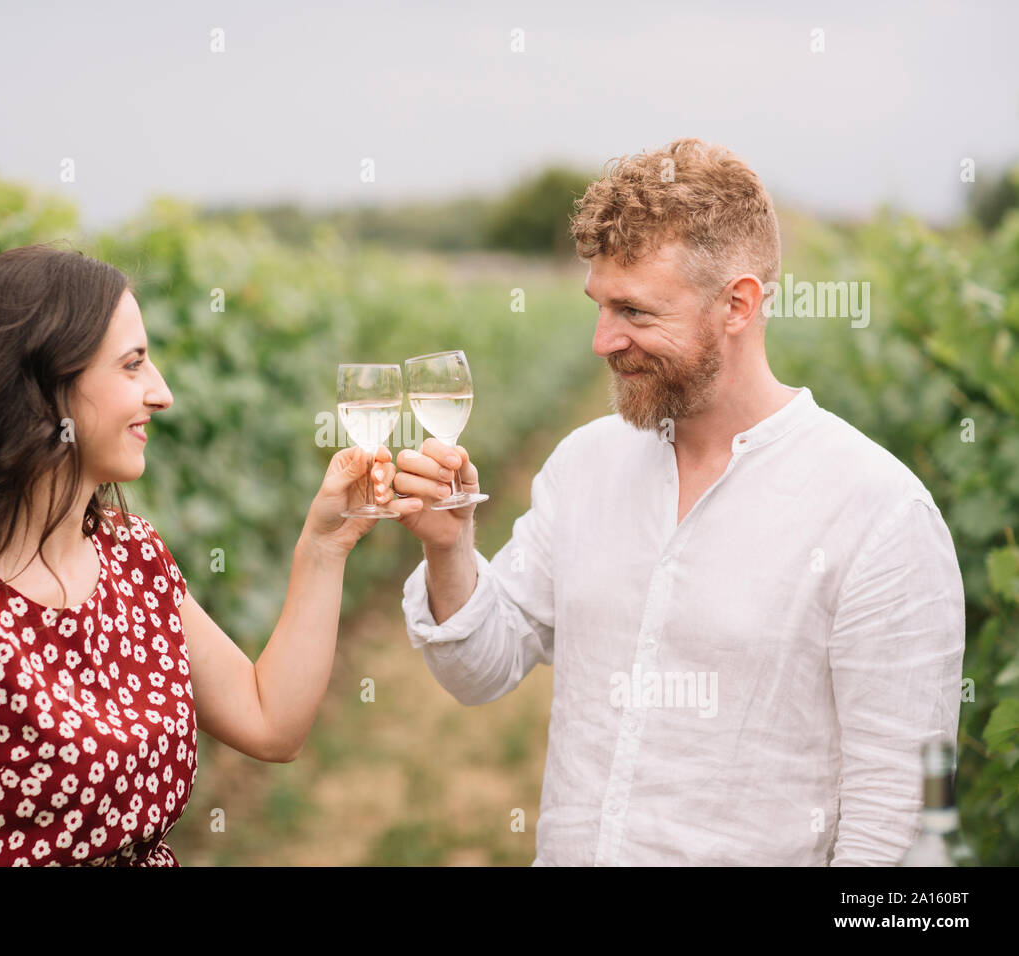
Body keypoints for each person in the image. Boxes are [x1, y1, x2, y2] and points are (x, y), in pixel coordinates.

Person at [390, 138, 966, 866]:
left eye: (635, 311)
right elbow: (479, 669)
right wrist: (449, 549)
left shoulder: (879, 514)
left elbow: (898, 823)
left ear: (739, 304)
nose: (603, 340)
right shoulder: (584, 466)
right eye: (599, 305)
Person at [0, 243, 408, 866]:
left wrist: (325, 546)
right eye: (133, 364)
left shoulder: (133, 557)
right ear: (40, 387)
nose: (161, 393)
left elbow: (272, 724)